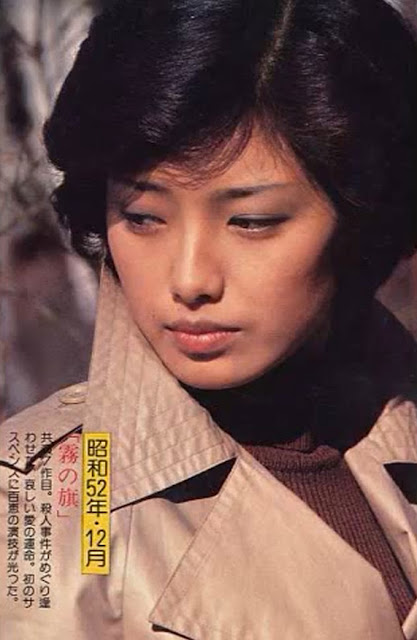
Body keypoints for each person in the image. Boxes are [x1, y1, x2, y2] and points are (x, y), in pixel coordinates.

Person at [1, 0, 417, 637]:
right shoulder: (39, 503)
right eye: (143, 217)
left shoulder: (395, 421)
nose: (190, 279)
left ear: (364, 220)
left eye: (250, 222)